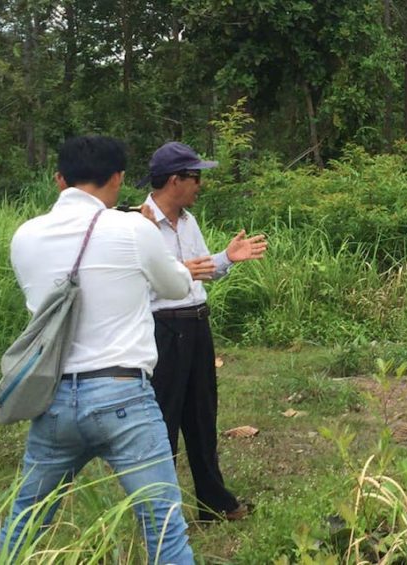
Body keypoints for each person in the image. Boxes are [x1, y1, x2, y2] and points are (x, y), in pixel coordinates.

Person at [0, 136, 196, 564]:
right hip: (123, 395)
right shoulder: (132, 227)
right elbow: (177, 286)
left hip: (51, 401)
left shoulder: (24, 236)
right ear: (118, 179)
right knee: (163, 525)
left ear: (58, 180)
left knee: (25, 521)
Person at [140, 141, 266, 522]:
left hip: (196, 323)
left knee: (202, 415)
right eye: (195, 177)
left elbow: (198, 270)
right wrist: (181, 272)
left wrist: (226, 258)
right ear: (175, 180)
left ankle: (214, 503)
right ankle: (162, 511)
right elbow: (133, 282)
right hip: (164, 329)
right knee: (165, 418)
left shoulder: (187, 220)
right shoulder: (137, 223)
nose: (200, 185)